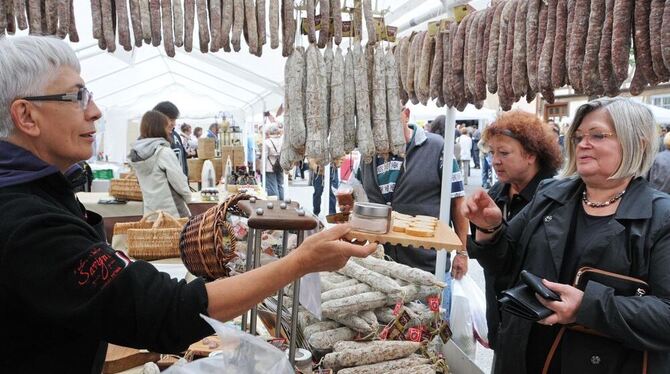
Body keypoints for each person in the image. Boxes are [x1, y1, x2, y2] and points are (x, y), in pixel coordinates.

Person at [0, 35, 378, 372]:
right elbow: (168, 311)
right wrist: (300, 262)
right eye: (78, 95)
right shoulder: (26, 225)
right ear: (26, 116)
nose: (95, 110)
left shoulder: (40, 196)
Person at [464, 97, 670, 373]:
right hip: (522, 356)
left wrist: (588, 307)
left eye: (597, 135)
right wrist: (489, 229)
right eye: (579, 136)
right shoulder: (550, 194)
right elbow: (504, 265)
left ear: (639, 142)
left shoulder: (661, 216)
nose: (583, 144)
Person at [472, 110, 563, 353]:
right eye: (492, 152)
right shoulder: (494, 195)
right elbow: (489, 262)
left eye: (504, 153)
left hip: (539, 323)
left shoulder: (558, 198)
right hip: (500, 314)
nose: (495, 161)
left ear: (531, 154)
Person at [351, 109, 469, 280]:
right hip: (383, 268)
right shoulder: (367, 156)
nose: (382, 126)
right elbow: (360, 198)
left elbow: (458, 203)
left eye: (388, 117)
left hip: (428, 269)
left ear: (406, 114)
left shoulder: (438, 148)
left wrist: (462, 252)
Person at [129, 111, 192, 218]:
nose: (169, 130)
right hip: (173, 213)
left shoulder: (137, 154)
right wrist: (188, 197)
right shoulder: (163, 152)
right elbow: (179, 181)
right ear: (159, 128)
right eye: (167, 126)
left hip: (151, 213)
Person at [153, 101, 188, 177]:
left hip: (181, 185)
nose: (174, 124)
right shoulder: (151, 140)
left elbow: (182, 162)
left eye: (174, 120)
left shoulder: (176, 136)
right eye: (171, 120)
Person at [264, 125, 284, 200]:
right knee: (280, 184)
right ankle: (282, 201)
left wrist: (262, 168)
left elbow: (264, 156)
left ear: (269, 132)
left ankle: (275, 203)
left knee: (272, 185)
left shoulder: (267, 142)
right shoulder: (282, 141)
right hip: (280, 164)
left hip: (270, 165)